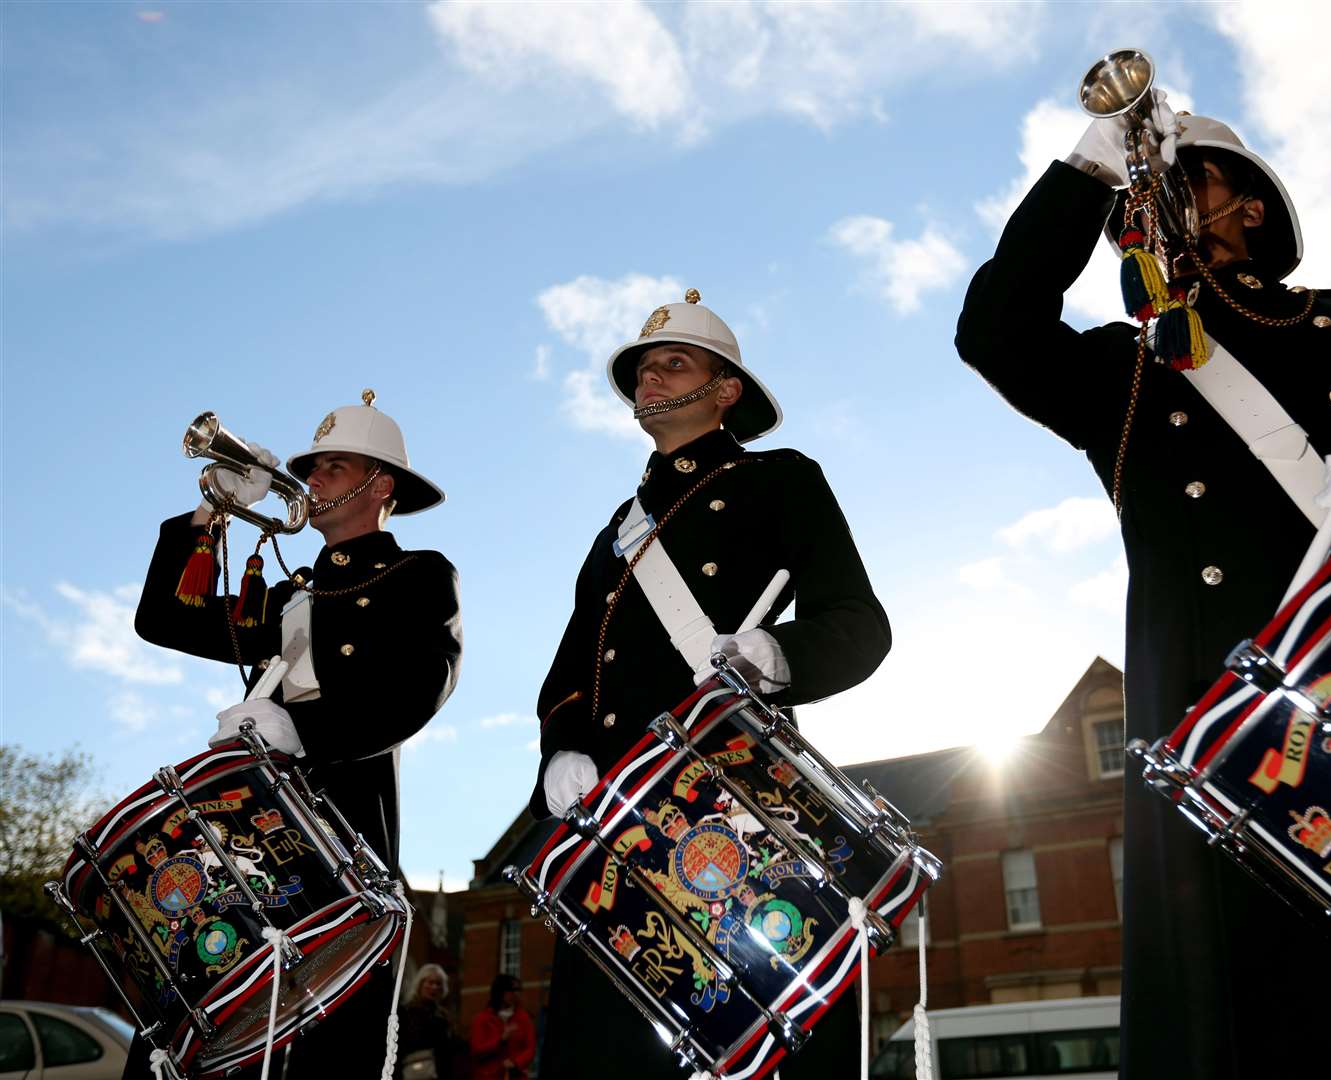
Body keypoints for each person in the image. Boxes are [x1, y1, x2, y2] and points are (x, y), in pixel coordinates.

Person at [955, 110, 1331, 1079]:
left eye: (1186, 179)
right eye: (1139, 194)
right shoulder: (1126, 373)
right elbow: (995, 329)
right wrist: (1086, 169)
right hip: (1225, 733)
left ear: (1251, 209)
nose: (1155, 201)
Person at [528, 289, 891, 1078]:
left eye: (674, 363)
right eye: (643, 370)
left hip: (732, 798)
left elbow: (861, 625)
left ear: (726, 390)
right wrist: (564, 747)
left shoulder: (780, 479)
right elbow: (567, 675)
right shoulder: (614, 532)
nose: (650, 379)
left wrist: (773, 654)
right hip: (615, 812)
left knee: (757, 1041)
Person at [131, 390, 462, 1077]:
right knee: (200, 1006)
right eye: (311, 468)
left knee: (324, 1041)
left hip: (340, 821)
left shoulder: (421, 575)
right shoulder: (290, 591)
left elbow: (416, 690)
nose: (312, 482)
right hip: (245, 826)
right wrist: (211, 511)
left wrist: (300, 728)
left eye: (334, 468)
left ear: (381, 485)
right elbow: (165, 620)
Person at [397, 963, 460, 1080]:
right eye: (430, 982)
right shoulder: (406, 1012)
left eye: (438, 984)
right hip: (413, 1072)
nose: (434, 987)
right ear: (420, 984)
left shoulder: (444, 1016)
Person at [469, 975, 535, 1080]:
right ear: (499, 992)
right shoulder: (481, 1019)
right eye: (511, 990)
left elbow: (530, 1048)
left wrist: (516, 1063)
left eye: (518, 990)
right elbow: (477, 1051)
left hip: (516, 1076)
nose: (516, 994)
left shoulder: (524, 1018)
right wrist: (500, 1040)